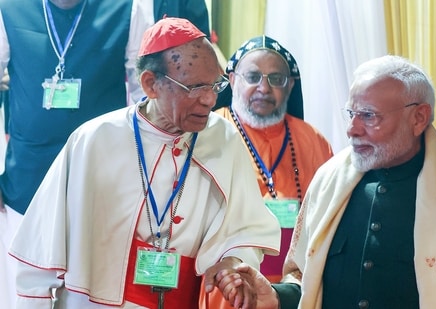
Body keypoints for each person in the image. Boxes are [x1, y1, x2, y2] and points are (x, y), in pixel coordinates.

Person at [214, 55, 436, 308]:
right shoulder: (330, 182)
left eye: (369, 116)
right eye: (351, 114)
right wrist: (274, 296)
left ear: (419, 118)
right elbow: (304, 278)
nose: (352, 129)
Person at [8, 17, 280, 309]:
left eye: (215, 84)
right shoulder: (94, 140)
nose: (209, 99)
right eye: (195, 87)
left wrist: (230, 262)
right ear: (151, 84)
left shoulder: (224, 138)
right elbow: (39, 253)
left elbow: (245, 226)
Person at [0, 1, 154, 307]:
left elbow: (146, 96)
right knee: (24, 295)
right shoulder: (8, 8)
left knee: (91, 294)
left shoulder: (129, 9)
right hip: (26, 181)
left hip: (101, 182)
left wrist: (147, 175)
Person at [201, 35, 334, 308]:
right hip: (227, 283)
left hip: (292, 287)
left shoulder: (313, 139)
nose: (263, 88)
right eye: (253, 77)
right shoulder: (209, 133)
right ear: (233, 79)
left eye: (276, 79)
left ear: (290, 86)